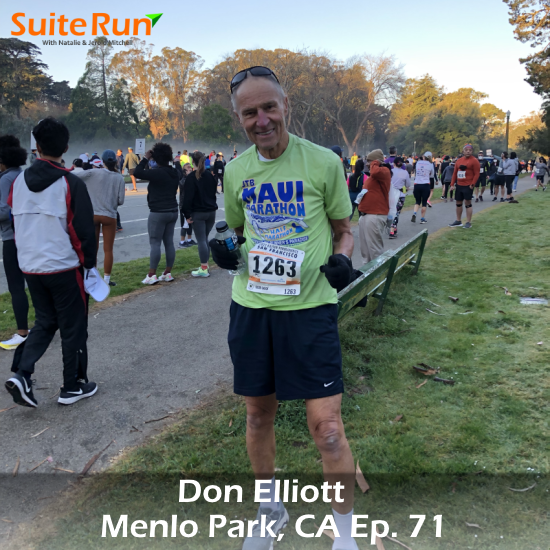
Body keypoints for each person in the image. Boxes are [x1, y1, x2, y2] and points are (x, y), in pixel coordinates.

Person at [210, 65, 359, 550]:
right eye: (249, 113)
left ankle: (344, 535)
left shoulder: (322, 162)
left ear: (286, 106)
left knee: (328, 431)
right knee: (258, 417)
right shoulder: (236, 170)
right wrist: (227, 252)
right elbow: (238, 232)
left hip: (310, 310)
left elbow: (344, 230)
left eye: (269, 107)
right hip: (252, 309)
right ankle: (269, 510)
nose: (262, 120)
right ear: (239, 119)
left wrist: (342, 259)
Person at [4, 117, 97, 408]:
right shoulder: (70, 182)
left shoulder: (18, 182)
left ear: (37, 147)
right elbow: (83, 231)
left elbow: (16, 220)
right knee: (73, 326)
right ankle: (72, 385)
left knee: (45, 321)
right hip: (63, 266)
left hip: (31, 265)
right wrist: (89, 265)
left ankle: (22, 374)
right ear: (66, 147)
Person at [78, 150, 125, 287]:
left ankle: (92, 277)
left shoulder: (93, 173)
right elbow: (121, 200)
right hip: (109, 215)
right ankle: (107, 279)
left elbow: (75, 176)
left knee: (93, 248)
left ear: (102, 161)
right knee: (108, 249)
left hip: (93, 214)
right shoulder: (119, 177)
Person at [134, 143, 179, 284]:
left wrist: (145, 158)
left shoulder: (158, 173)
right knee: (169, 242)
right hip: (173, 210)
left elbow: (137, 172)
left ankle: (152, 274)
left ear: (156, 158)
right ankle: (167, 272)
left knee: (155, 243)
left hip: (158, 211)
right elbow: (178, 169)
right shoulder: (175, 172)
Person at [0, 136, 30, 350]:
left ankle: (22, 332)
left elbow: (4, 211)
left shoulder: (5, 179)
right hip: (29, 235)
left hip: (12, 237)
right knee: (35, 283)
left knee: (16, 286)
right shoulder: (24, 174)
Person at [182, 151, 218, 278]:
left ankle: (203, 267)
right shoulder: (209, 175)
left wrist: (187, 214)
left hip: (198, 212)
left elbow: (187, 198)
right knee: (204, 238)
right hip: (211, 211)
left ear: (193, 162)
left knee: (201, 240)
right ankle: (205, 265)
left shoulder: (192, 177)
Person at [449, 144, 480, 228]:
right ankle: (458, 220)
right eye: (466, 150)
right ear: (463, 151)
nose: (468, 151)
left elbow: (477, 173)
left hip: (468, 185)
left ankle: (468, 222)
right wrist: (452, 184)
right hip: (459, 184)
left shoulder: (474, 161)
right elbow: (455, 173)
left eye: (470, 150)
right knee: (458, 202)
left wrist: (473, 184)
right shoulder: (459, 161)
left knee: (467, 202)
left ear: (472, 151)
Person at [389, 156, 411, 238]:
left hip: (391, 194)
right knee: (397, 212)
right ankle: (392, 230)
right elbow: (408, 184)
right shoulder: (405, 173)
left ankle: (393, 228)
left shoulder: (390, 171)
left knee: (392, 211)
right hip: (400, 195)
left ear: (394, 164)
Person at [411, 152, 434, 224]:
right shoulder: (430, 164)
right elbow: (432, 175)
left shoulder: (418, 162)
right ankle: (422, 218)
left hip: (417, 184)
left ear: (424, 156)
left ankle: (415, 213)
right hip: (425, 184)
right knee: (424, 202)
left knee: (417, 201)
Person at [178, 163, 196, 248]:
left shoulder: (192, 178)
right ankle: (182, 241)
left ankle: (189, 239)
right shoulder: (183, 180)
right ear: (184, 171)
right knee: (185, 224)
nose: (190, 169)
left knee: (190, 223)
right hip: (184, 205)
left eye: (190, 168)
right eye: (187, 169)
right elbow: (183, 185)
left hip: (191, 204)